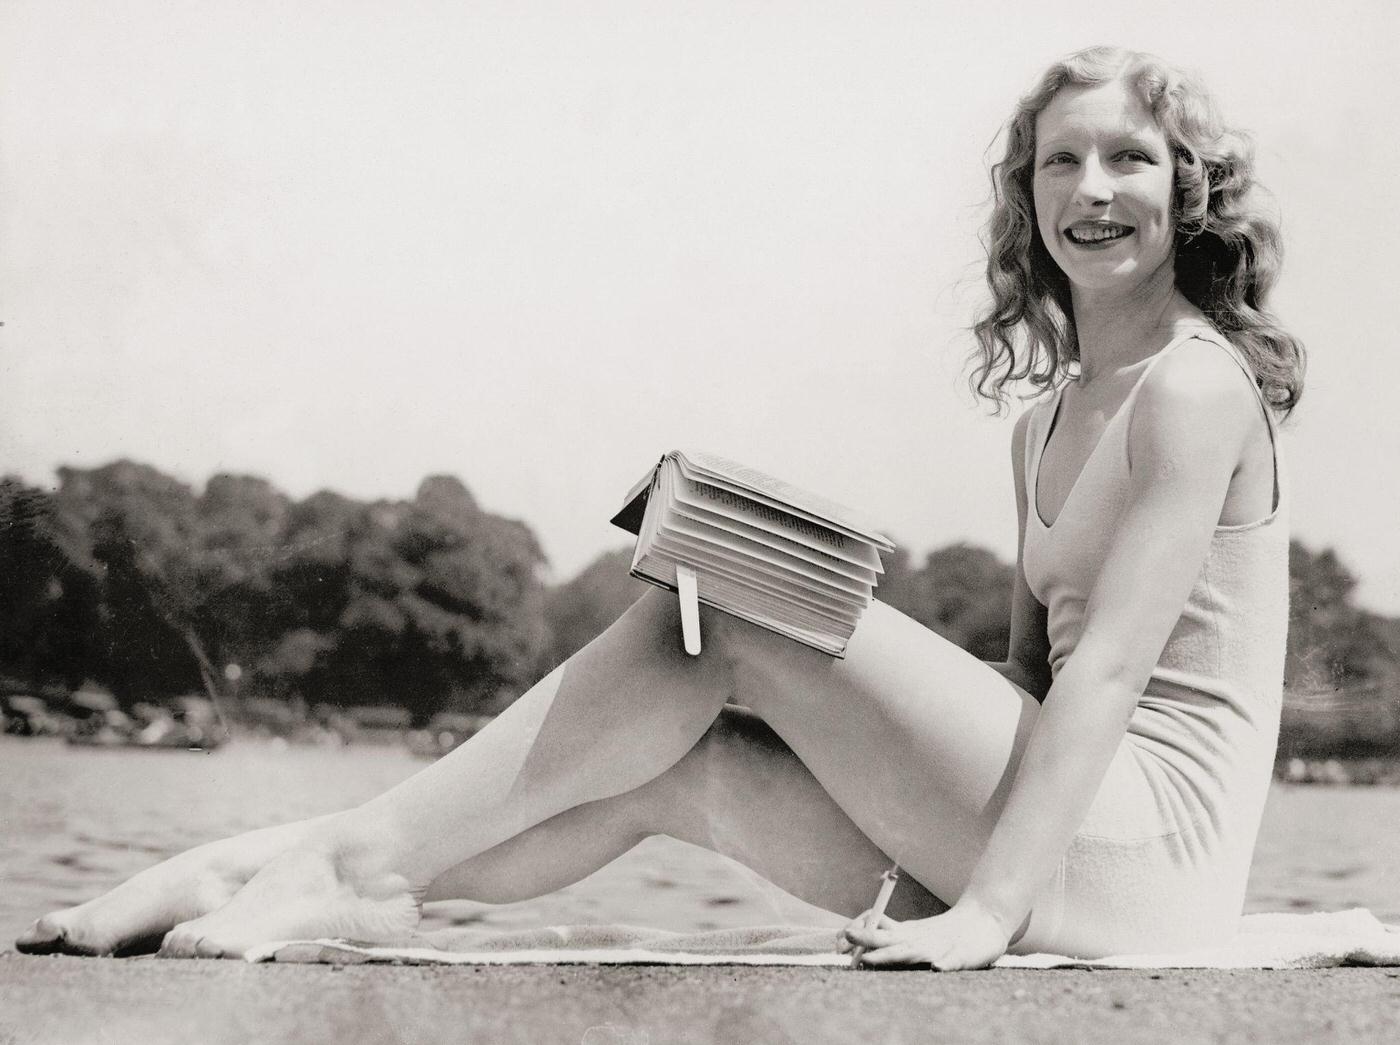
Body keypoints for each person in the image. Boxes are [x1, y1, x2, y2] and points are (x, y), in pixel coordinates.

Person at [16, 45, 1304, 969]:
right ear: (1024, 199)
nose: (1093, 190)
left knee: (708, 610)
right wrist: (913, 836)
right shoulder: (1046, 419)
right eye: (1059, 160)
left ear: (1187, 188)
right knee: (669, 768)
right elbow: (1026, 678)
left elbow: (1112, 671)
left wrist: (984, 913)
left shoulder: (1196, 390)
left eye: (1130, 158)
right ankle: (268, 865)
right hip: (1055, 837)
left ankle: (346, 866)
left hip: (1146, 859)